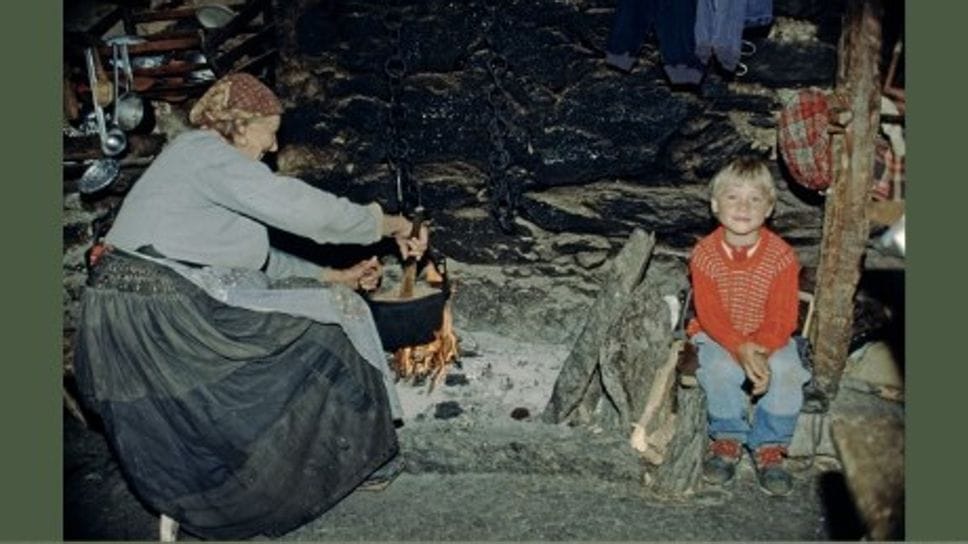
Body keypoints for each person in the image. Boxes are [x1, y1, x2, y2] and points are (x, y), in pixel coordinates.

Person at [73, 72, 428, 539]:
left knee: (324, 305)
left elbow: (248, 259)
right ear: (240, 124)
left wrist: (334, 275)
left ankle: (218, 487)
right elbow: (307, 211)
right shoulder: (205, 154)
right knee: (327, 328)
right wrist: (391, 224)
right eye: (270, 130)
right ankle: (348, 462)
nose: (274, 144)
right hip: (158, 313)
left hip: (142, 306)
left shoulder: (202, 163)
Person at [685, 157, 810, 496]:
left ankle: (770, 444)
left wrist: (763, 352)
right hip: (719, 334)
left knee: (788, 370)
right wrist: (740, 349)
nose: (743, 207)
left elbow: (783, 317)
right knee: (721, 370)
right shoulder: (705, 254)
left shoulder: (781, 256)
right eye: (732, 197)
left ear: (769, 208)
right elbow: (710, 314)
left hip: (769, 335)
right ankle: (727, 438)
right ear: (714, 204)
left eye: (755, 199)